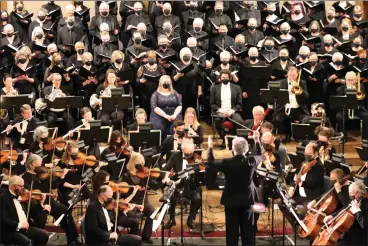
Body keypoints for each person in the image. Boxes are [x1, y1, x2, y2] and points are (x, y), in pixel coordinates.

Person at [207, 133, 261, 246]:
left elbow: (211, 162)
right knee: (248, 232)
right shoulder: (251, 162)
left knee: (232, 232)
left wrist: (210, 147)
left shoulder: (227, 163)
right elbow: (260, 154)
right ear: (246, 149)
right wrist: (257, 140)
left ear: (232, 148)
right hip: (247, 200)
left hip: (231, 201)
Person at [22, 154, 82, 245]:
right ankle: (39, 241)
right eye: (38, 165)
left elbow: (53, 186)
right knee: (41, 217)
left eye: (41, 164)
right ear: (30, 165)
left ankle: (73, 238)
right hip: (37, 205)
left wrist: (61, 177)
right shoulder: (25, 177)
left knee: (65, 211)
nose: (41, 167)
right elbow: (31, 194)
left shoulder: (43, 174)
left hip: (50, 201)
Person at [121, 152, 169, 244]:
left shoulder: (145, 174)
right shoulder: (126, 176)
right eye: (139, 164)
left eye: (143, 164)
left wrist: (163, 180)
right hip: (131, 202)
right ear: (133, 163)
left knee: (152, 212)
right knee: (133, 216)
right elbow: (124, 193)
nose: (142, 166)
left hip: (143, 201)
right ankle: (132, 238)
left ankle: (146, 236)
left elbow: (155, 186)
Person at [163, 138, 202, 229]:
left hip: (191, 186)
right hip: (178, 184)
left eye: (190, 153)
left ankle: (190, 219)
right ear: (182, 150)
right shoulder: (175, 155)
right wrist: (169, 175)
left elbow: (201, 173)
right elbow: (166, 169)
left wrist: (198, 167)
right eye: (186, 153)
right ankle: (172, 219)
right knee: (170, 197)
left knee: (197, 198)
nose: (188, 156)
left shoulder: (196, 156)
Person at [0, 175, 49, 246]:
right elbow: (4, 219)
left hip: (24, 228)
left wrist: (41, 203)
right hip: (10, 230)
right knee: (26, 242)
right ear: (13, 186)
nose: (24, 189)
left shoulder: (20, 196)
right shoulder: (3, 198)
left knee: (44, 235)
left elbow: (31, 213)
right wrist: (20, 225)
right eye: (21, 186)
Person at [91, 170, 141, 238]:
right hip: (110, 216)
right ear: (101, 181)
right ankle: (131, 239)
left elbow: (119, 202)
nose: (109, 183)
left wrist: (133, 194)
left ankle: (133, 239)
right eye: (106, 181)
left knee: (135, 222)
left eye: (109, 180)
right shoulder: (97, 194)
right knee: (135, 223)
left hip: (116, 213)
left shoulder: (109, 192)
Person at [323, 181, 368, 246]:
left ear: (360, 193)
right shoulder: (353, 199)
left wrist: (357, 210)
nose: (351, 198)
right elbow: (345, 208)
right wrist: (333, 216)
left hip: (357, 236)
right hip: (345, 231)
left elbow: (364, 225)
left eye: (352, 196)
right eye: (350, 195)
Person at [273, 66, 309, 141]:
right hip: (284, 108)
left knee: (306, 119)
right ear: (287, 75)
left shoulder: (302, 83)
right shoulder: (281, 82)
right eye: (290, 75)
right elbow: (276, 96)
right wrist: (286, 93)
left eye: (294, 75)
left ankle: (300, 137)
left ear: (297, 75)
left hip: (299, 109)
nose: (292, 77)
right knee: (276, 119)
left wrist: (299, 89)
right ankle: (285, 134)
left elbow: (306, 96)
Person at [211, 69, 244, 149]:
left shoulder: (237, 87)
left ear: (230, 78)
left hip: (232, 111)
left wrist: (232, 111)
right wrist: (221, 110)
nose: (224, 79)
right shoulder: (214, 88)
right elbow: (212, 103)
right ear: (220, 78)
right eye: (223, 77)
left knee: (239, 122)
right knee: (217, 121)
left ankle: (232, 139)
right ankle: (223, 139)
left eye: (226, 77)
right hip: (220, 111)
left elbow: (239, 103)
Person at [336, 71, 368, 140]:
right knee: (339, 116)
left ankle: (365, 138)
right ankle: (344, 136)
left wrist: (355, 91)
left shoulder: (360, 86)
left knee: (366, 116)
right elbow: (339, 103)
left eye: (352, 80)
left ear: (356, 80)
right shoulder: (340, 89)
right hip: (345, 110)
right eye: (348, 80)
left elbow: (363, 98)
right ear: (345, 80)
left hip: (358, 109)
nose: (350, 82)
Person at [150, 75, 182, 140]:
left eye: (168, 82)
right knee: (160, 127)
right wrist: (166, 116)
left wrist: (175, 115)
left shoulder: (175, 93)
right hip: (159, 115)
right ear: (161, 83)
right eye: (164, 81)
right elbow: (155, 107)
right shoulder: (155, 94)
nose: (166, 83)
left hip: (174, 114)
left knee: (175, 127)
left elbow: (179, 105)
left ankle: (174, 145)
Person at [136, 50, 166, 116]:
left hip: (157, 93)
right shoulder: (142, 68)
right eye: (150, 58)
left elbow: (165, 78)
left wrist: (160, 80)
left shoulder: (160, 67)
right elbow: (137, 80)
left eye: (153, 58)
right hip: (145, 94)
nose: (152, 59)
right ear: (147, 58)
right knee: (146, 110)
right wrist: (140, 81)